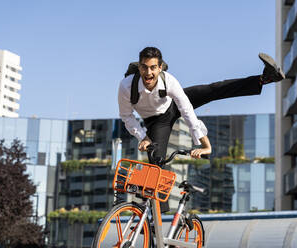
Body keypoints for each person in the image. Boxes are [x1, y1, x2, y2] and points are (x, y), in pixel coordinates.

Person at [118, 47, 284, 212]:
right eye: (144, 67)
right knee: (156, 164)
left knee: (212, 90)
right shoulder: (127, 86)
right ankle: (154, 219)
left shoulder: (168, 81)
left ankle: (265, 78)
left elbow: (187, 111)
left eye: (153, 67)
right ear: (139, 67)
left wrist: (205, 143)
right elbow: (126, 116)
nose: (149, 73)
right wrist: (143, 137)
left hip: (173, 105)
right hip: (156, 123)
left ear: (159, 67)